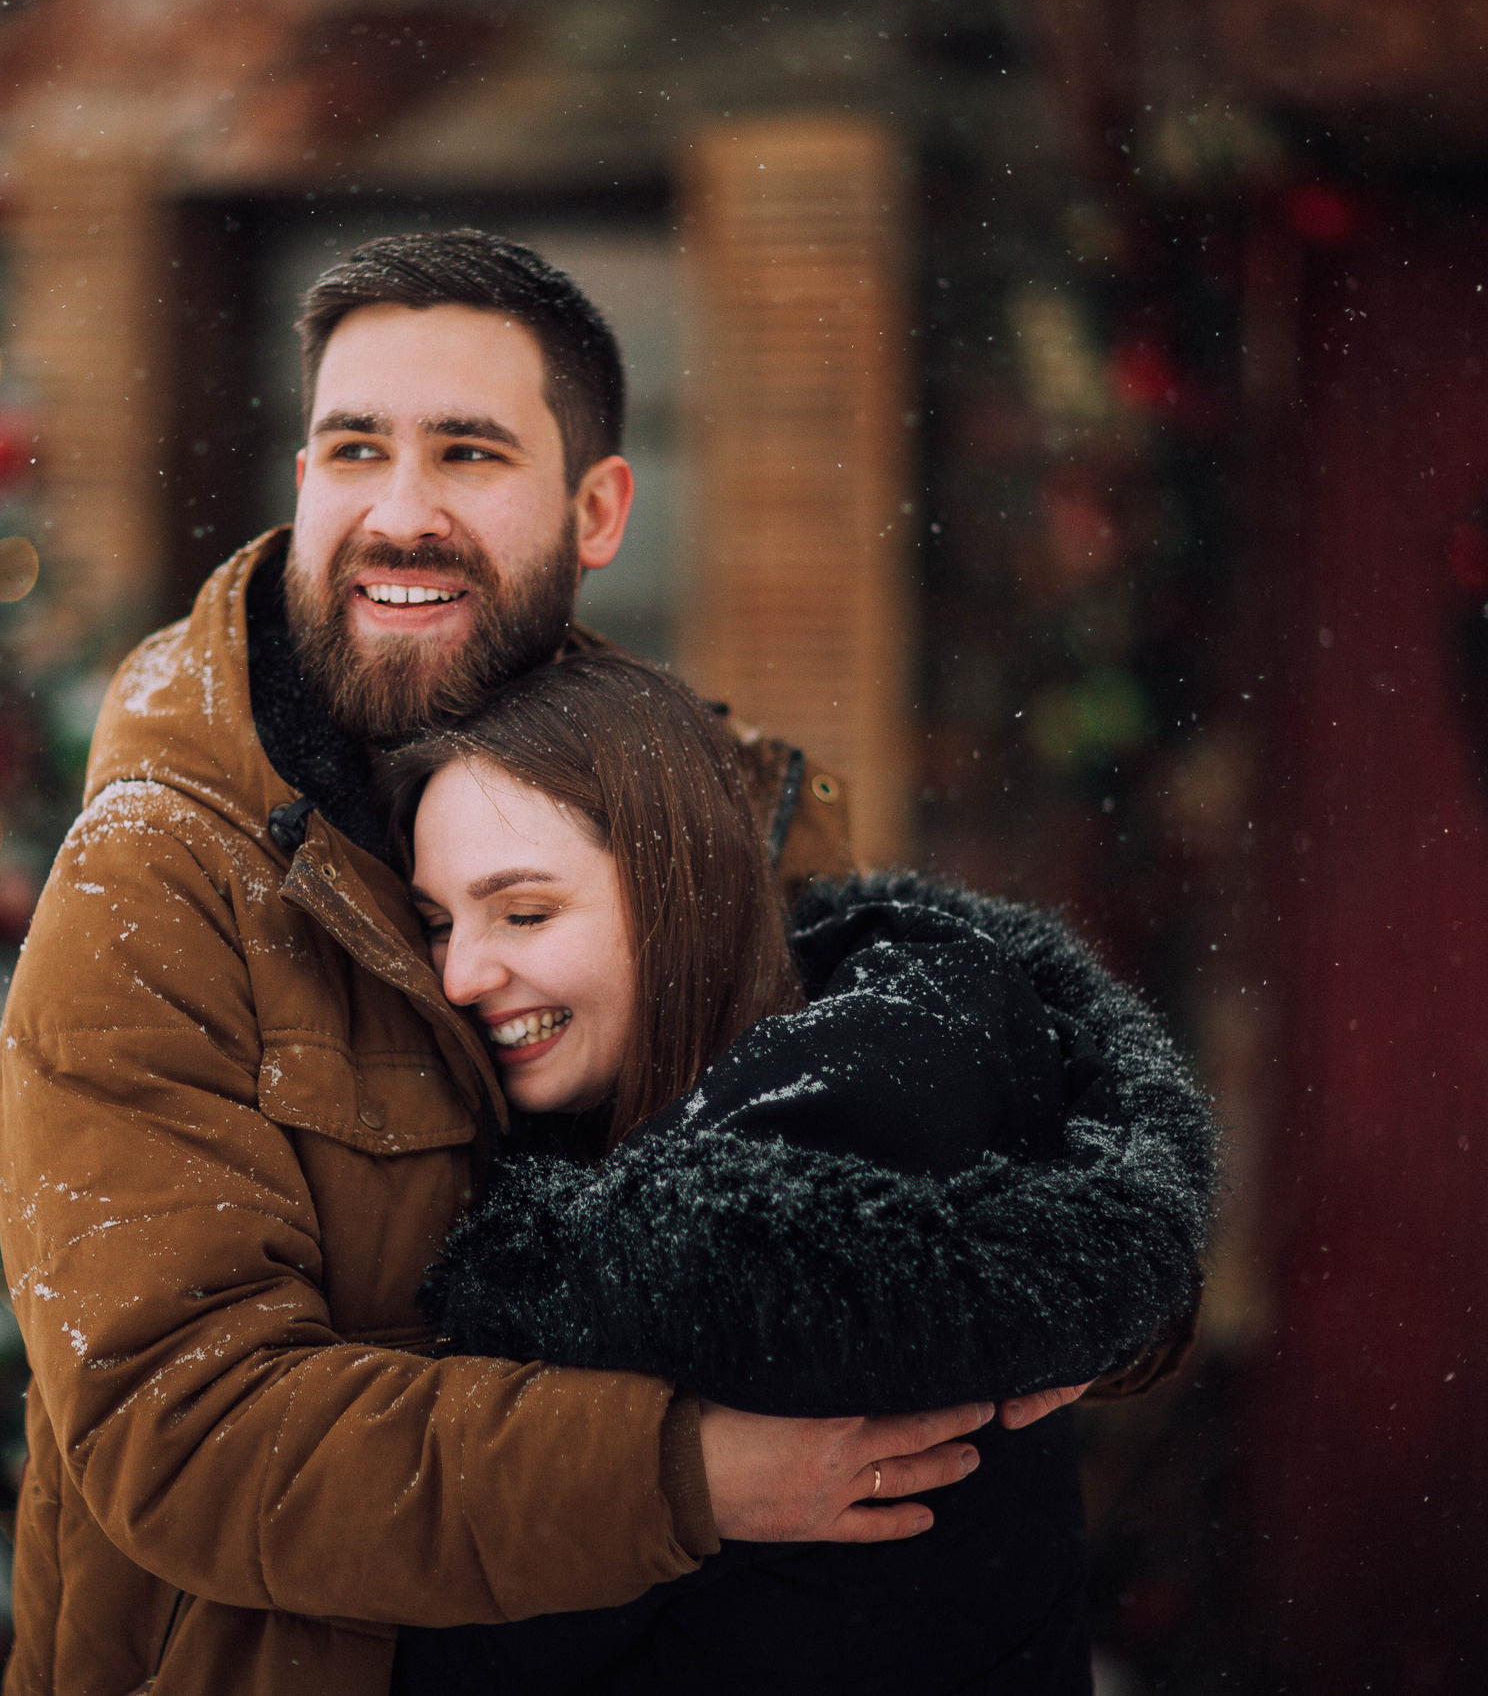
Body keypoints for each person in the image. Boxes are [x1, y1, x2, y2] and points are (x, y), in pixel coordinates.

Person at [0, 231, 1098, 1696]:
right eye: (354, 449)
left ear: (597, 509)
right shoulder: (159, 879)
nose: (400, 513)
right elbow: (182, 1428)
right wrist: (683, 1471)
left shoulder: (729, 819)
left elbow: (947, 1135)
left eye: (468, 452)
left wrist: (1074, 1299)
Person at [381, 651, 1214, 1694]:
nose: (461, 975)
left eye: (525, 913)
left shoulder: (739, 1257)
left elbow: (455, 1659)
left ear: (680, 899)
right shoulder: (914, 1119)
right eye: (438, 924)